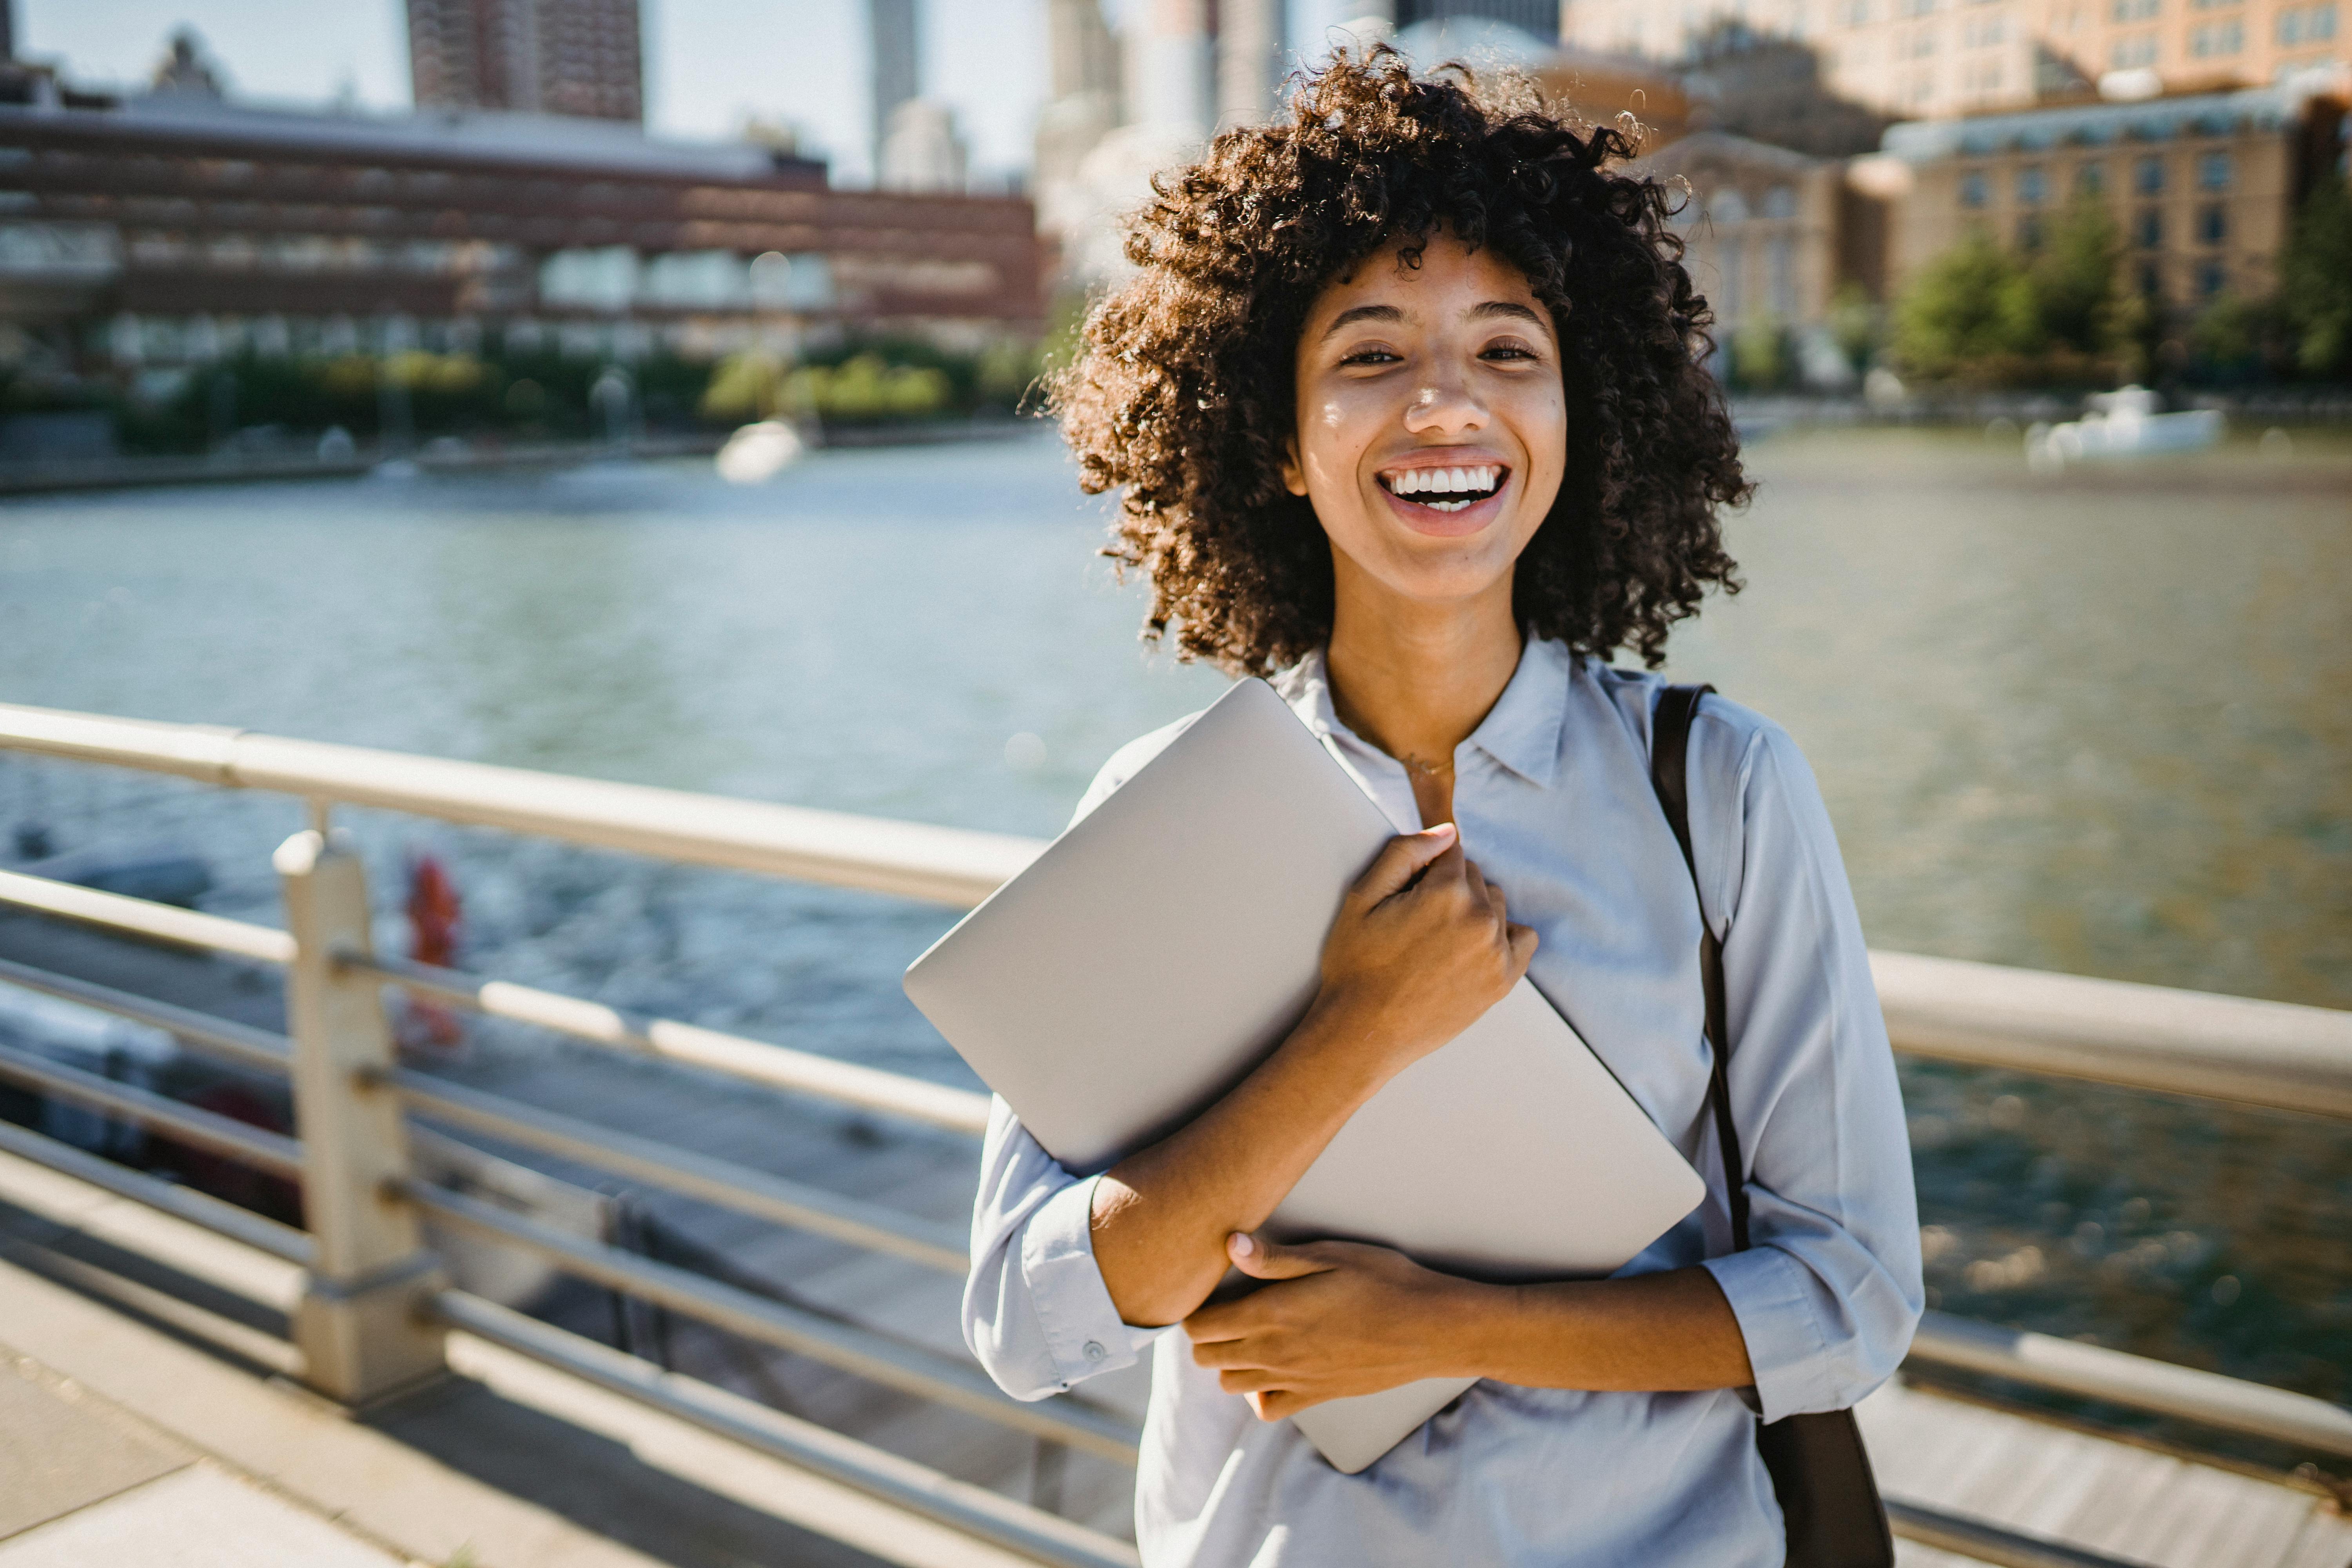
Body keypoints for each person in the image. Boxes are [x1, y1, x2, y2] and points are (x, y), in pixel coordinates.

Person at [962, 50, 1921, 1566]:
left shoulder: (1721, 791)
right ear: (1278, 442)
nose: (1446, 405)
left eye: (1506, 347)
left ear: (1576, 408)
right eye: (1368, 357)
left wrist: (1451, 1327)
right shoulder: (1156, 812)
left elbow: (1852, 1299)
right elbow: (1024, 1321)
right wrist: (1355, 1034)